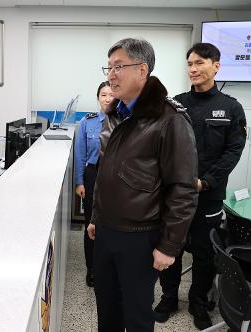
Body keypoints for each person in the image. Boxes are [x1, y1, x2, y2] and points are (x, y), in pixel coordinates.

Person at [87, 38, 198, 332]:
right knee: (107, 309)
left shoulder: (170, 120)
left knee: (136, 314)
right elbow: (105, 173)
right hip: (106, 231)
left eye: (119, 66)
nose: (111, 74)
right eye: (108, 67)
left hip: (140, 236)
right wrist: (97, 217)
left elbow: (183, 189)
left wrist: (170, 245)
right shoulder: (115, 113)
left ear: (142, 70)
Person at [155, 43, 247, 330]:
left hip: (208, 197)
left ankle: (198, 302)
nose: (193, 69)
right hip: (175, 195)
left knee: (206, 253)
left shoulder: (231, 108)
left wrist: (205, 181)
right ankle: (169, 297)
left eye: (199, 63)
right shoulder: (176, 104)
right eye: (190, 64)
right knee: (171, 247)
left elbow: (233, 151)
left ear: (216, 66)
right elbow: (162, 146)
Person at [74, 81, 113, 287]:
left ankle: (108, 266)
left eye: (111, 94)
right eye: (103, 95)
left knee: (111, 223)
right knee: (91, 223)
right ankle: (92, 268)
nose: (107, 98)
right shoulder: (86, 122)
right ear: (98, 98)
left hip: (114, 177)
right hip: (92, 174)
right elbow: (79, 155)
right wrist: (79, 181)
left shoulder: (123, 120)